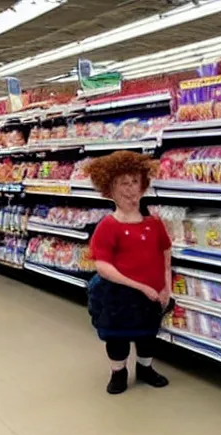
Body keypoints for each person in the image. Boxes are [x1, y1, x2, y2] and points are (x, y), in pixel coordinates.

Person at [86, 151, 172, 395]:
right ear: (110, 189)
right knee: (118, 338)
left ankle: (145, 369)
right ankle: (118, 372)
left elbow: (166, 252)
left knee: (148, 336)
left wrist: (165, 285)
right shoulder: (108, 226)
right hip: (118, 296)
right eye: (123, 183)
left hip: (152, 295)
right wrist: (138, 286)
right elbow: (102, 266)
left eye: (135, 182)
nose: (130, 189)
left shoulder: (154, 223)